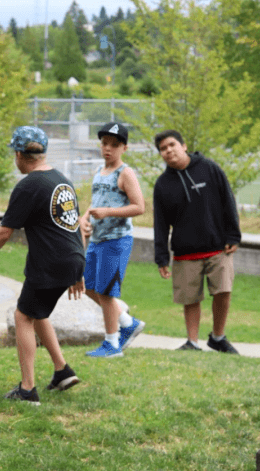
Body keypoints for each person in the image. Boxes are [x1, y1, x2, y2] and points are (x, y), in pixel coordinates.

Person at [0, 126, 84, 404]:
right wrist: (79, 268)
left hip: (49, 262)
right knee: (37, 312)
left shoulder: (29, 185)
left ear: (18, 154)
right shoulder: (62, 180)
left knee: (23, 316)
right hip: (72, 259)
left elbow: (4, 232)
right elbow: (75, 226)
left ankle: (27, 389)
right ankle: (62, 370)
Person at [152, 129, 241, 354]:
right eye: (163, 149)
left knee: (223, 290)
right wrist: (161, 256)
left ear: (183, 146)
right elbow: (160, 224)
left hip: (218, 246)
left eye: (172, 145)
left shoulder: (209, 168)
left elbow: (228, 200)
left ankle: (218, 337)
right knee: (190, 298)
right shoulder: (162, 184)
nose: (168, 150)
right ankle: (192, 342)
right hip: (185, 251)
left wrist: (233, 234)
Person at [79, 122, 146, 359]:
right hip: (97, 239)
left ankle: (112, 344)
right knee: (88, 286)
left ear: (124, 148)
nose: (108, 148)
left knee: (106, 293)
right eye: (104, 143)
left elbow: (139, 207)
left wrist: (107, 212)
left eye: (114, 145)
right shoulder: (100, 171)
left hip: (116, 240)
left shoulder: (125, 173)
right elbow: (96, 202)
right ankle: (127, 322)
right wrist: (84, 218)